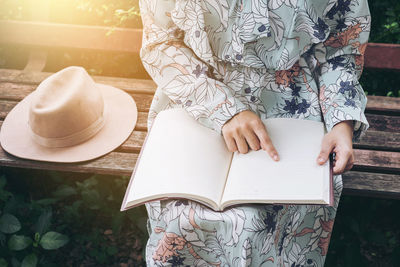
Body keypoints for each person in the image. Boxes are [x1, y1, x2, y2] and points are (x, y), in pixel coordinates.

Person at [138, 0, 370, 265]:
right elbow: (160, 43)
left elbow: (342, 49)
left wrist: (341, 124)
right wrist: (224, 109)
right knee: (182, 214)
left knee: (262, 220)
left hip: (293, 111)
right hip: (198, 100)